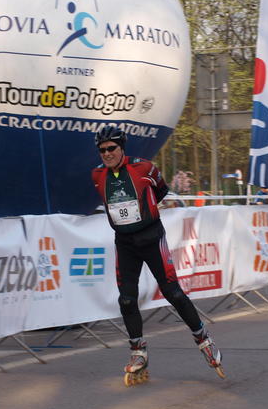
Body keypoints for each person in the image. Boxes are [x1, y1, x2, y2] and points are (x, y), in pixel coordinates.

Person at [91, 125, 225, 385]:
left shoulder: (144, 168)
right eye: (102, 150)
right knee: (126, 299)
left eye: (111, 148)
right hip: (125, 242)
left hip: (152, 238)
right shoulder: (97, 175)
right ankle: (138, 351)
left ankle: (203, 339)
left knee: (173, 293)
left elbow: (161, 191)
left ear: (122, 148)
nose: (106, 153)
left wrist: (145, 212)